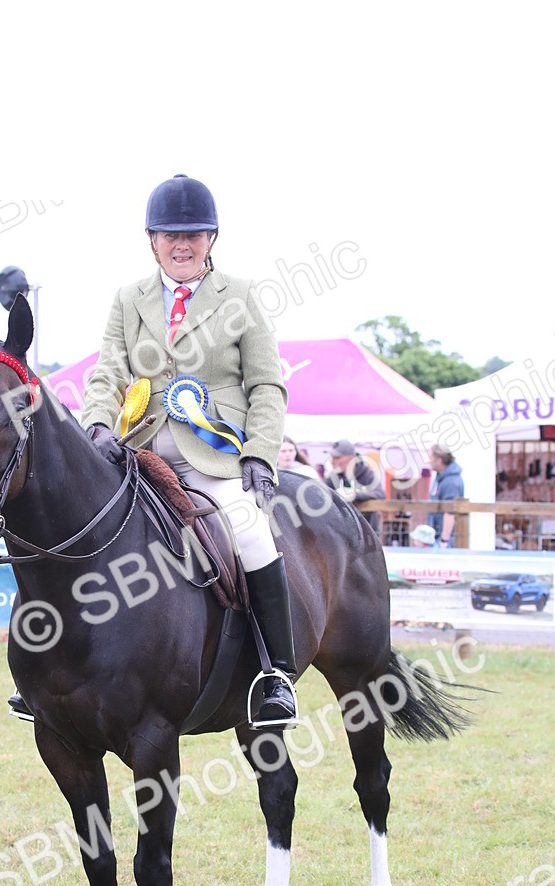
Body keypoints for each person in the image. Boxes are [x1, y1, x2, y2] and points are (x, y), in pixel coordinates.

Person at [77, 173, 297, 726]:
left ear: (212, 239)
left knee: (248, 532)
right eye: (170, 235)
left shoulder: (240, 296)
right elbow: (107, 372)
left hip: (216, 457)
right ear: (151, 240)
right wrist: (99, 424)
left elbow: (267, 384)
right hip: (139, 454)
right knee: (79, 527)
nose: (182, 244)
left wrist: (259, 453)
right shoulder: (128, 300)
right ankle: (61, 668)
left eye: (194, 235)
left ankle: (276, 676)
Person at [324, 439, 385, 532]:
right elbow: (322, 494)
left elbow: (380, 494)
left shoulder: (367, 474)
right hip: (341, 533)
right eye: (332, 457)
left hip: (368, 532)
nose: (332, 461)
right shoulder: (332, 478)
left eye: (337, 457)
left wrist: (355, 495)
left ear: (351, 458)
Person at [427, 444, 464, 548]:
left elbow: (450, 512)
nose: (429, 461)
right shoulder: (441, 478)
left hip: (445, 540)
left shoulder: (451, 482)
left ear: (439, 460)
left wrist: (444, 540)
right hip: (437, 536)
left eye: (430, 458)